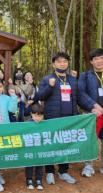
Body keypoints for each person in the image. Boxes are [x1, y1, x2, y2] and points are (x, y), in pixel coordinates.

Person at [35, 52, 78, 185]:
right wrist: (50, 86)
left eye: (65, 61)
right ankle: (49, 172)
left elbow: (77, 97)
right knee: (51, 143)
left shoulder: (72, 79)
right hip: (52, 118)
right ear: (54, 64)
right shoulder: (47, 78)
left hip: (69, 118)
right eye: (59, 61)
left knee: (66, 144)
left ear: (68, 63)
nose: (62, 64)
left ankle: (63, 171)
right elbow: (39, 96)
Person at [78, 48, 103, 176]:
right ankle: (88, 166)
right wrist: (93, 105)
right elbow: (80, 93)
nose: (99, 61)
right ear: (92, 62)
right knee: (90, 140)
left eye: (101, 58)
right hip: (92, 113)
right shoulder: (85, 75)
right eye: (96, 59)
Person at [25, 103, 44, 190]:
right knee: (29, 165)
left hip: (40, 149)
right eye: (36, 116)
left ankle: (38, 180)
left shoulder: (45, 124)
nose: (38, 118)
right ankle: (29, 179)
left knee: (40, 164)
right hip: (30, 150)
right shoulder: (26, 124)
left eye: (40, 116)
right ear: (31, 114)